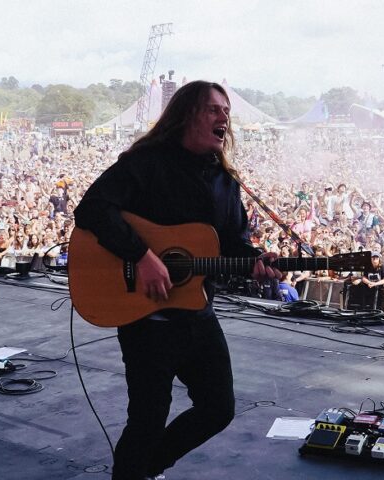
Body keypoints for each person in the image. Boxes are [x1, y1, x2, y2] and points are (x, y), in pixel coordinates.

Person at [73, 81, 280, 480]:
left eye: (226, 111)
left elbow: (234, 245)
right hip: (146, 321)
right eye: (214, 109)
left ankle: (142, 470)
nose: (225, 117)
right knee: (147, 419)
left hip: (196, 314)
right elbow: (92, 208)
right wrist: (142, 256)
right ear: (187, 114)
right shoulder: (148, 163)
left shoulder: (225, 181)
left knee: (218, 408)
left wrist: (255, 261)